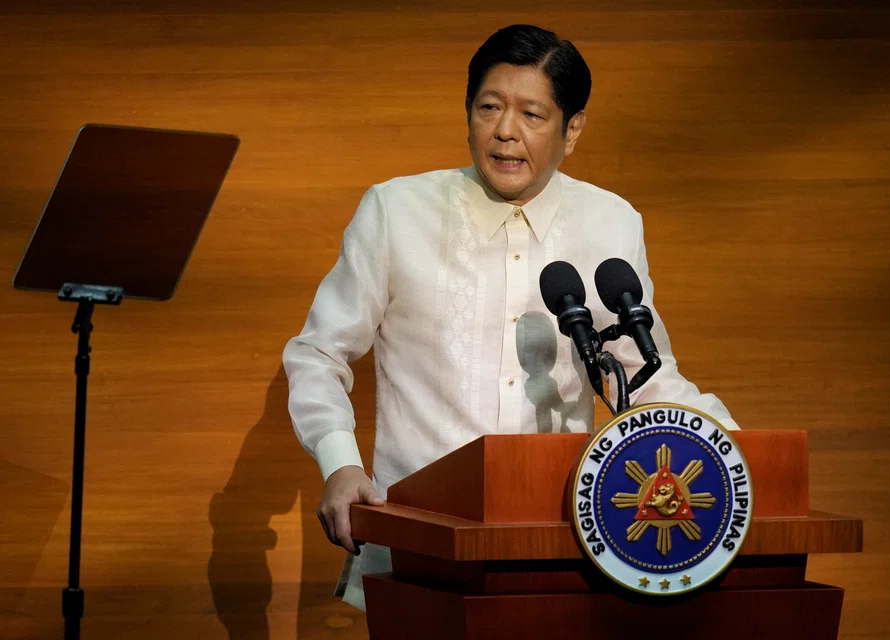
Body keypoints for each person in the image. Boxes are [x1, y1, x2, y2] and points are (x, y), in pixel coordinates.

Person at [282, 24, 740, 611]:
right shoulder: (396, 212)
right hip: (421, 539)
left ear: (572, 130)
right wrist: (339, 465)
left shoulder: (611, 222)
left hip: (564, 541)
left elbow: (641, 376)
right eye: (489, 107)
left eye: (532, 114)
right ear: (468, 112)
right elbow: (318, 353)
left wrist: (736, 447)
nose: (505, 131)